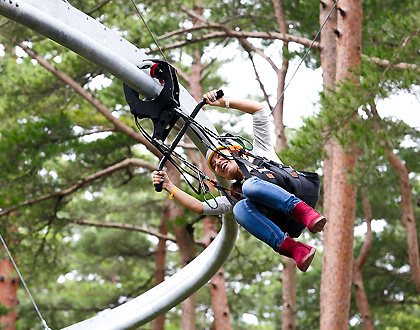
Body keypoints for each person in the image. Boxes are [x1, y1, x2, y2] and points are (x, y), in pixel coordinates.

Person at [152, 90, 326, 272]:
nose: (218, 162)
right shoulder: (236, 192)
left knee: (250, 185)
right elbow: (199, 206)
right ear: (224, 177)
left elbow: (259, 110)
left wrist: (223, 103)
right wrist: (169, 186)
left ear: (235, 151)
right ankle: (295, 249)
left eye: (220, 156)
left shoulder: (261, 151)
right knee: (239, 208)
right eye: (215, 166)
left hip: (298, 191)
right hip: (287, 220)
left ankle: (305, 213)